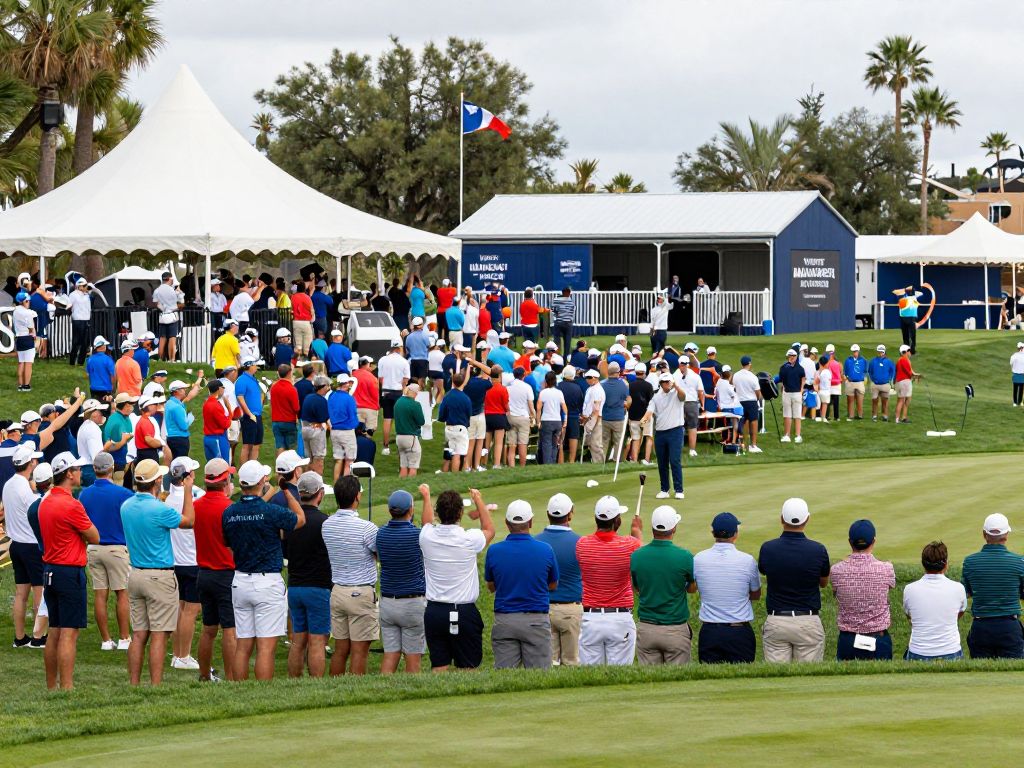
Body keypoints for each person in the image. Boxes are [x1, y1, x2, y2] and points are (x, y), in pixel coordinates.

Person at [221, 460, 306, 681]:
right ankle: (262, 691)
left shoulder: (229, 512)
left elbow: (227, 543)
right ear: (261, 482)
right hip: (266, 582)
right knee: (266, 647)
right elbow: (300, 519)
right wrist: (287, 491)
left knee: (243, 644)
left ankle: (241, 689)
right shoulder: (270, 511)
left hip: (240, 581)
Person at [119, 459, 195, 686]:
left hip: (136, 574)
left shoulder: (126, 506)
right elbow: (189, 521)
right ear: (157, 481)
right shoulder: (159, 509)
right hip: (159, 576)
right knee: (160, 635)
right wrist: (188, 490)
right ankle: (155, 685)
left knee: (140, 634)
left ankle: (134, 683)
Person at [38, 452, 99, 689]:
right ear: (69, 474)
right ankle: (68, 687)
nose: (80, 472)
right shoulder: (72, 505)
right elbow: (94, 536)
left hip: (50, 570)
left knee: (55, 630)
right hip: (68, 572)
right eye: (77, 469)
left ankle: (52, 686)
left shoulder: (46, 502)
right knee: (69, 633)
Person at [420, 488, 495, 670]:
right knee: (468, 668)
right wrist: (478, 499)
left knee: (439, 666)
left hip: (434, 612)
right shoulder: (469, 538)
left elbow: (426, 522)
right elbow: (489, 529)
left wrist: (427, 497)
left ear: (438, 513)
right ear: (460, 512)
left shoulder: (427, 536)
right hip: (463, 612)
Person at [484, 500, 559, 669]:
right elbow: (553, 585)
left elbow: (491, 587)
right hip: (536, 621)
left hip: (505, 621)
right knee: (540, 677)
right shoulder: (545, 549)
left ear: (507, 523)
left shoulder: (494, 551)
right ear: (530, 522)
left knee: (505, 677)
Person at [757, 498, 830, 663]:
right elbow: (823, 583)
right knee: (808, 678)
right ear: (807, 519)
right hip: (808, 621)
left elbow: (764, 570)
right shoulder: (818, 550)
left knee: (777, 678)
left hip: (777, 621)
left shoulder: (768, 548)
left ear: (782, 519)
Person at [321, 476, 379, 675]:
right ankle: (356, 689)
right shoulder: (367, 528)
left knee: (341, 649)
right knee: (359, 651)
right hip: (360, 592)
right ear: (357, 497)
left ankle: (336, 688)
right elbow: (378, 554)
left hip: (337, 592)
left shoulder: (327, 525)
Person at [576, 495, 643, 665]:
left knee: (590, 678)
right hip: (620, 619)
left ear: (596, 519)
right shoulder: (631, 545)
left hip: (590, 620)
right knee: (619, 675)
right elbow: (642, 561)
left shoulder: (582, 544)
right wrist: (638, 534)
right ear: (617, 521)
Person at [79, 452, 133, 651]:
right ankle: (125, 638)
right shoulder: (123, 494)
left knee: (100, 595)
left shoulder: (85, 494)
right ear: (111, 469)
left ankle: (105, 640)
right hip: (117, 549)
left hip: (93, 549)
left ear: (94, 469)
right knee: (122, 594)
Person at [376, 487, 434, 674]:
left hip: (387, 603)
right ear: (410, 510)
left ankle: (383, 692)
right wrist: (426, 497)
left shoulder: (381, 534)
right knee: (413, 656)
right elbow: (428, 527)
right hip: (411, 604)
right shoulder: (417, 535)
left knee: (390, 654)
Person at [693, 512, 761, 663]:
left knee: (709, 680)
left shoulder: (698, 559)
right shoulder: (747, 560)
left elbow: (694, 587)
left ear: (713, 533)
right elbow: (756, 594)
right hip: (739, 632)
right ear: (735, 534)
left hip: (710, 632)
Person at [283, 471, 332, 678]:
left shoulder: (291, 522)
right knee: (318, 640)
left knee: (298, 640)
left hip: (295, 587)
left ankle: (295, 681)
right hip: (318, 588)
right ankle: (316, 683)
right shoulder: (325, 522)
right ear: (319, 494)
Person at [630, 506, 695, 665]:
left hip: (647, 628)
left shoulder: (637, 556)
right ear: (674, 528)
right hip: (675, 629)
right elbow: (692, 589)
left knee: (649, 682)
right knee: (677, 681)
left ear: (652, 528)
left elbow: (637, 588)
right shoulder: (684, 556)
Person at [192, 458, 238, 681]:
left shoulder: (196, 506)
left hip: (203, 573)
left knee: (209, 629)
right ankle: (230, 677)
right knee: (230, 629)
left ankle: (204, 675)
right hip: (225, 574)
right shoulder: (229, 508)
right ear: (224, 480)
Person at [829, 519, 896, 661]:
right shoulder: (886, 568)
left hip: (848, 639)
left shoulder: (836, 570)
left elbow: (835, 593)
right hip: (878, 638)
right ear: (873, 541)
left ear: (850, 542)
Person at [961, 513, 1024, 659]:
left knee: (980, 673)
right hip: (1010, 627)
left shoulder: (970, 562)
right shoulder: (1019, 562)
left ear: (984, 534)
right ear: (1006, 535)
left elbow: (967, 592)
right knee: (1012, 673)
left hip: (981, 627)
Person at [533, 493, 582, 666]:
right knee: (572, 664)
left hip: (543, 609)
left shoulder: (535, 542)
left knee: (547, 665)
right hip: (571, 610)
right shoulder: (580, 542)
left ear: (548, 514)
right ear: (570, 514)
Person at [6, 443, 46, 648]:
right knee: (39, 593)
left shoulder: (8, 484)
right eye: (35, 460)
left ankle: (20, 638)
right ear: (30, 464)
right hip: (31, 546)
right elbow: (37, 514)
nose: (37, 462)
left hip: (16, 546)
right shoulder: (25, 489)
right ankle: (38, 638)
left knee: (21, 594)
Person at [165, 457, 203, 671]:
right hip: (192, 560)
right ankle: (183, 655)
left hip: (175, 560)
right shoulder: (195, 497)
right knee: (190, 610)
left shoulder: (168, 498)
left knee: (180, 609)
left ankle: (178, 655)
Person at [903, 541, 968, 661]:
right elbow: (959, 614)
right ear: (946, 564)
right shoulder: (958, 588)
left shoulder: (909, 589)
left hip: (918, 653)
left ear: (923, 564)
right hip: (950, 652)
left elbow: (910, 617)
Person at [640, 372, 686, 500]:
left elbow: (683, 396)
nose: (667, 384)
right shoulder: (656, 397)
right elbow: (649, 412)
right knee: (662, 462)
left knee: (674, 460)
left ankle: (679, 489)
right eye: (665, 382)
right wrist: (644, 419)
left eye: (669, 382)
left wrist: (675, 386)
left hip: (676, 431)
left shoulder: (676, 393)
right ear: (660, 383)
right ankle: (664, 489)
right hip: (660, 433)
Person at [379, 340, 410, 454]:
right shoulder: (404, 361)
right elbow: (406, 379)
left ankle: (386, 447)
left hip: (386, 391)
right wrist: (401, 387)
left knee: (387, 419)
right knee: (399, 420)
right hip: (398, 392)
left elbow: (381, 379)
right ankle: (400, 446)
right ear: (400, 348)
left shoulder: (383, 360)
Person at [438, 372, 472, 473]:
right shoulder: (466, 398)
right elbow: (468, 414)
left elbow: (442, 413)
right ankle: (455, 474)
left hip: (449, 427)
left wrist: (443, 418)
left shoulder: (447, 396)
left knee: (450, 451)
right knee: (458, 453)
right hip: (461, 427)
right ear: (463, 382)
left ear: (453, 382)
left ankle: (446, 472)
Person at [328, 373, 359, 480]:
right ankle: (345, 485)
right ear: (346, 384)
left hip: (334, 430)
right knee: (349, 460)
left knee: (338, 459)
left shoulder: (332, 396)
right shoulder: (349, 399)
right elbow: (353, 415)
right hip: (346, 431)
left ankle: (336, 483)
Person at [235, 357, 265, 464]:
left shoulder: (254, 379)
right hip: (249, 416)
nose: (256, 367)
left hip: (257, 415)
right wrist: (249, 413)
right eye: (254, 365)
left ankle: (253, 468)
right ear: (249, 367)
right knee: (247, 444)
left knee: (257, 444)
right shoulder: (242, 380)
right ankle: (244, 470)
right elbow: (240, 398)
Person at [77, 399, 112, 488]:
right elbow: (97, 457)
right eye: (100, 411)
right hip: (91, 470)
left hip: (85, 468)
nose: (102, 414)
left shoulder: (85, 426)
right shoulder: (92, 428)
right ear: (93, 414)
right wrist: (107, 446)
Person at [506, 366, 536, 467]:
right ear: (523, 375)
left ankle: (512, 467)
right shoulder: (527, 387)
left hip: (511, 417)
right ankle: (522, 467)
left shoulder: (508, 387)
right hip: (523, 417)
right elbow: (531, 406)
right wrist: (534, 417)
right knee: (522, 444)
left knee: (512, 445)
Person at [732, 356, 763, 453]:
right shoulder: (752, 377)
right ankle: (753, 445)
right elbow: (758, 392)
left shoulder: (736, 375)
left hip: (740, 401)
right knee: (754, 422)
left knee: (744, 422)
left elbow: (733, 386)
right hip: (751, 401)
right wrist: (757, 399)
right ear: (749, 364)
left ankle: (744, 444)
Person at [268, 364, 300, 456]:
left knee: (280, 446)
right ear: (289, 373)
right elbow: (296, 408)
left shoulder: (274, 387)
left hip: (276, 421)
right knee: (291, 448)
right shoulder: (291, 389)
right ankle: (290, 467)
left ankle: (280, 468)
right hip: (289, 421)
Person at [537, 371, 567, 465]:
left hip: (546, 420)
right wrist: (565, 420)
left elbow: (538, 408)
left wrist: (538, 422)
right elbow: (564, 408)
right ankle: (553, 463)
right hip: (557, 421)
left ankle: (547, 465)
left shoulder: (543, 393)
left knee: (546, 444)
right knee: (555, 444)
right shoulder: (559, 393)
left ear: (546, 381)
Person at [557, 366, 583, 464]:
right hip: (574, 415)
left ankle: (561, 461)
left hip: (561, 415)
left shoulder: (558, 386)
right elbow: (581, 403)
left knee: (561, 439)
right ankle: (572, 460)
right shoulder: (577, 388)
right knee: (573, 437)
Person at [778, 348, 804, 443]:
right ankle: (787, 435)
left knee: (797, 415)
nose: (791, 358)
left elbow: (803, 380)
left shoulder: (800, 369)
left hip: (797, 393)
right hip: (787, 393)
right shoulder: (783, 368)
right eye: (790, 356)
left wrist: (801, 391)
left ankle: (798, 435)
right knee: (787, 415)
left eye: (793, 356)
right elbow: (782, 380)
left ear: (796, 357)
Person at [201, 380, 231, 462]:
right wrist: (229, 409)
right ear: (219, 389)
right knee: (222, 466)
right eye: (223, 388)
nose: (224, 390)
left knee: (211, 467)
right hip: (217, 439)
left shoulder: (206, 403)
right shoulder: (216, 405)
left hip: (208, 438)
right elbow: (225, 424)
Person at [68, 278, 93, 367]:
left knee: (85, 342)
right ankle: (72, 361)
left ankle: (80, 362)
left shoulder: (87, 295)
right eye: (84, 285)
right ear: (79, 286)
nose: (86, 287)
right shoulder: (73, 295)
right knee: (76, 341)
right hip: (77, 320)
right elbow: (68, 305)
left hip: (86, 319)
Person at [894, 344, 921, 424]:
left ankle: (903, 417)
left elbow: (911, 372)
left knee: (904, 400)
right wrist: (916, 376)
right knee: (902, 400)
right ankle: (898, 419)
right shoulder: (903, 360)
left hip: (902, 382)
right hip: (904, 382)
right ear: (904, 352)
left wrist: (917, 376)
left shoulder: (903, 360)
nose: (910, 352)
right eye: (909, 351)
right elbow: (909, 373)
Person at [868, 344, 895, 422]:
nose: (880, 354)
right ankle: (874, 415)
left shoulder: (889, 361)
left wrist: (889, 378)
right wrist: (873, 379)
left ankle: (885, 415)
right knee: (874, 400)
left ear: (884, 352)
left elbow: (892, 371)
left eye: (882, 352)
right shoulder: (873, 361)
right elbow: (870, 371)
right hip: (875, 384)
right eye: (879, 352)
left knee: (885, 401)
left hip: (885, 384)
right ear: (877, 352)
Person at [352, 356, 379, 432]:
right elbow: (375, 395)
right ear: (367, 364)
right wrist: (377, 407)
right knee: (369, 433)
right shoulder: (372, 377)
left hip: (355, 408)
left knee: (356, 433)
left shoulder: (352, 375)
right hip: (370, 408)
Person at [86, 337, 116, 402]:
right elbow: (112, 375)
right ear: (103, 346)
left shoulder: (90, 359)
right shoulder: (108, 359)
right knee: (106, 409)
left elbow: (88, 375)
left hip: (93, 388)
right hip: (106, 390)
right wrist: (113, 387)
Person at [843, 343, 868, 420]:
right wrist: (847, 377)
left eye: (856, 351)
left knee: (860, 400)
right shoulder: (848, 360)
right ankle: (851, 415)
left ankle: (860, 415)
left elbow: (865, 371)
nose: (855, 353)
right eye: (853, 351)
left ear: (858, 351)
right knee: (850, 401)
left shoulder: (863, 360)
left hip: (860, 382)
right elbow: (845, 372)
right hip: (850, 383)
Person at [549, 287, 575, 358]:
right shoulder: (571, 301)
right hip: (568, 323)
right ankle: (566, 357)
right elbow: (572, 312)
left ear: (562, 292)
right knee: (567, 342)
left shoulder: (556, 299)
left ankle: (557, 356)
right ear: (569, 293)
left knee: (557, 340)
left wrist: (557, 315)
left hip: (558, 322)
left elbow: (553, 309)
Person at [897, 285, 922, 354]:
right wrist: (909, 289)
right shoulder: (914, 298)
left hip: (903, 319)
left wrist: (905, 290)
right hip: (911, 318)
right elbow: (920, 293)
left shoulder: (901, 299)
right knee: (912, 335)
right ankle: (912, 351)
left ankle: (906, 350)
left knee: (905, 336)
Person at [290, 286, 315, 357]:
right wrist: (312, 320)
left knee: (298, 345)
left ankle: (298, 362)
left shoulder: (293, 297)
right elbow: (312, 310)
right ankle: (306, 361)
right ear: (304, 289)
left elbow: (290, 309)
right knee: (307, 345)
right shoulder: (308, 298)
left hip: (296, 322)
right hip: (306, 322)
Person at [1011, 341, 1024, 407]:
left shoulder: (1014, 355)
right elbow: (1011, 363)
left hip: (1021, 374)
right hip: (1017, 373)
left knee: (1019, 389)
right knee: (1017, 388)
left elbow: (1011, 363)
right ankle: (1016, 402)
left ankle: (1018, 402)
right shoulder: (1015, 355)